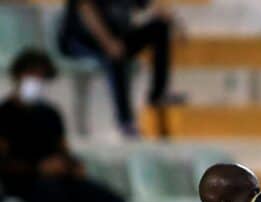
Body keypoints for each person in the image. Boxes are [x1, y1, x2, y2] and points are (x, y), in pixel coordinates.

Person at [0, 49, 125, 202]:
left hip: (59, 177)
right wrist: (38, 168)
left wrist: (73, 165)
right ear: (18, 76)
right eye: (32, 76)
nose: (37, 83)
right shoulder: (5, 114)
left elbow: (63, 150)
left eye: (41, 78)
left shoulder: (50, 113)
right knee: (55, 195)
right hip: (24, 182)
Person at [58, 0, 177, 136]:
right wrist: (108, 42)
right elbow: (86, 10)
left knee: (160, 28)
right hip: (81, 39)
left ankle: (158, 94)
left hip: (116, 36)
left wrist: (166, 15)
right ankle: (125, 121)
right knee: (114, 55)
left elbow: (150, 5)